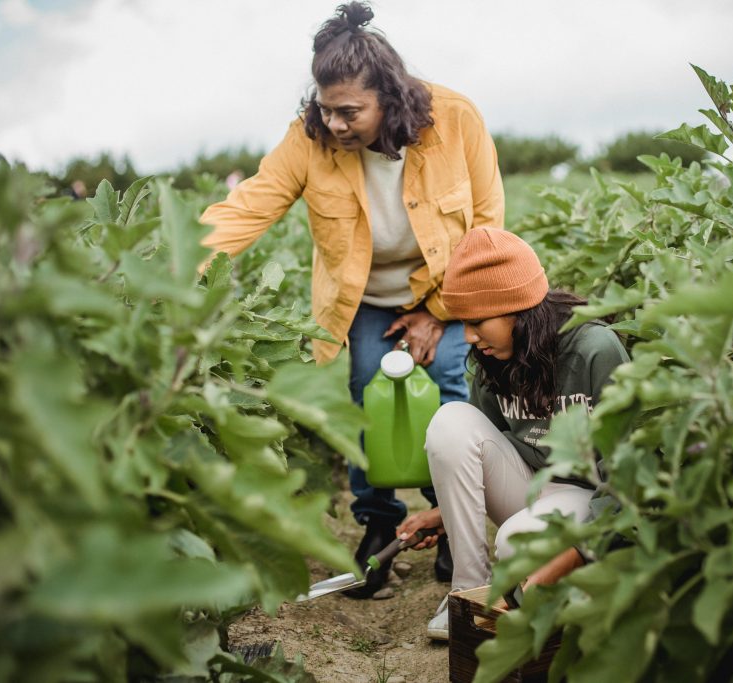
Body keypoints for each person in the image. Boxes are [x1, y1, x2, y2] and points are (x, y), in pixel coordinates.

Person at [197, 2, 504, 598]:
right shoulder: (308, 140)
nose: (333, 123)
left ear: (388, 96)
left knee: (449, 396)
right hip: (363, 299)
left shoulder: (456, 119)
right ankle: (377, 529)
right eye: (324, 107)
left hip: (442, 292)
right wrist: (186, 267)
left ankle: (452, 525)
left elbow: (488, 222)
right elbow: (250, 206)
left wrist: (436, 312)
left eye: (348, 111)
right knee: (367, 402)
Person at [396, 227, 630, 640]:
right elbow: (481, 450)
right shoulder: (493, 358)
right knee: (451, 419)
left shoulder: (596, 349)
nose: (469, 336)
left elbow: (627, 476)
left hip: (589, 496)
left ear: (517, 308)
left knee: (518, 542)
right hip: (533, 486)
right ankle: (468, 595)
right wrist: (446, 515)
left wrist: (574, 554)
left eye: (476, 322)